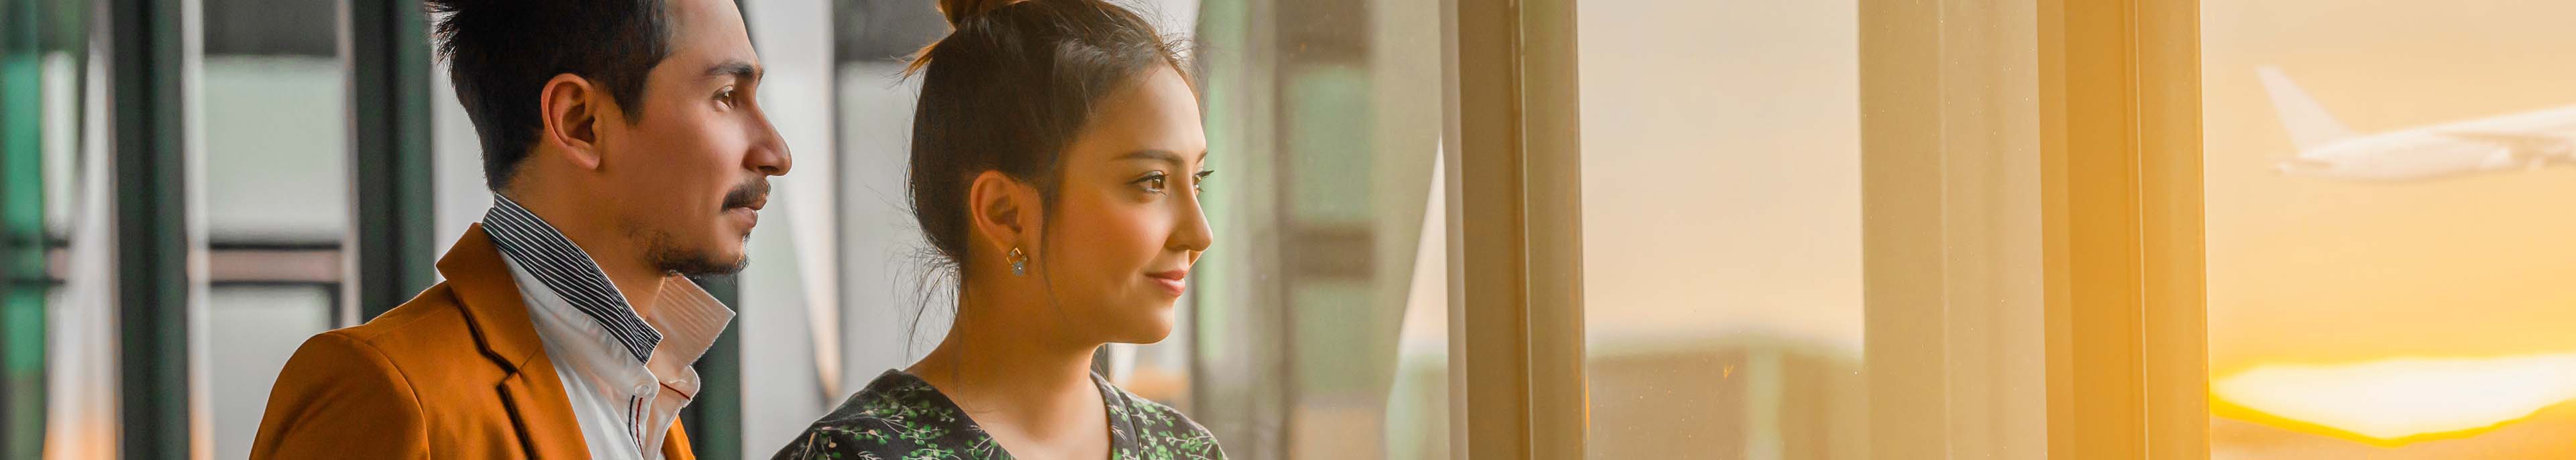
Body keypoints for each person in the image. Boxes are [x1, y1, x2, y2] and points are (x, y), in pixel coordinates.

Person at [250, 0, 789, 457]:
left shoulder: (645, 401)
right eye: (725, 96)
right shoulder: (384, 393)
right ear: (581, 121)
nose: (776, 153)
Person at [769, 0, 1222, 458]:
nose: (1200, 235)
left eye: (1197, 182)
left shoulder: (1186, 451)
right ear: (1006, 214)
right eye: (1152, 182)